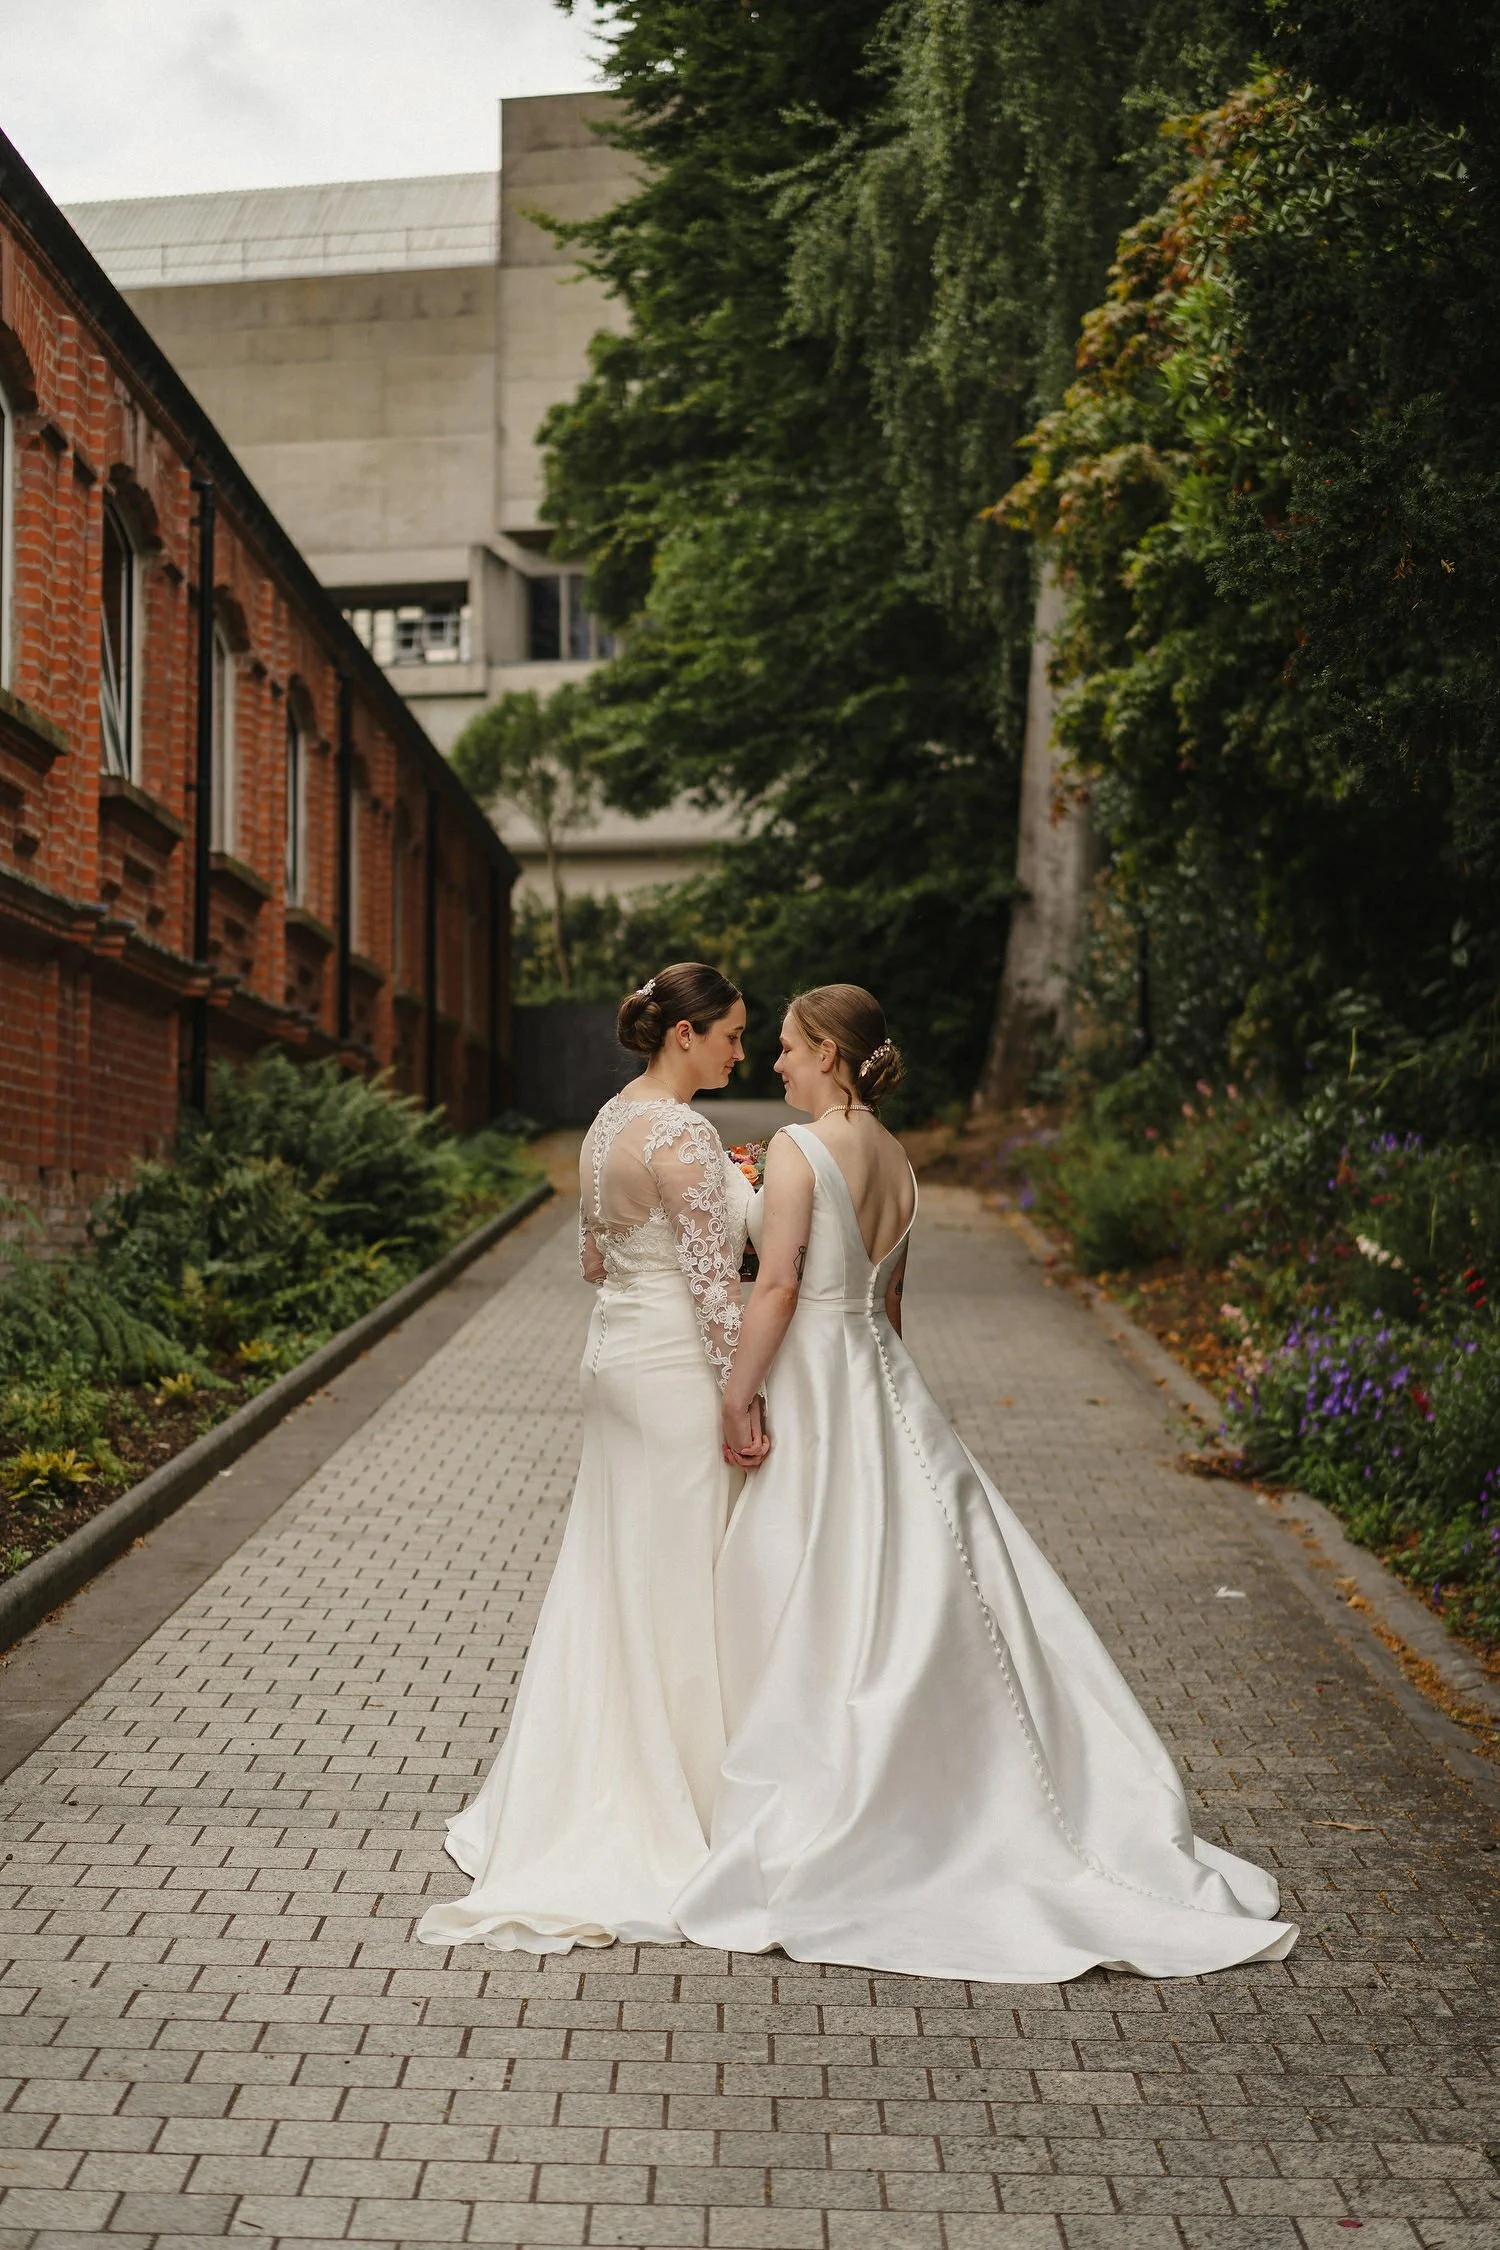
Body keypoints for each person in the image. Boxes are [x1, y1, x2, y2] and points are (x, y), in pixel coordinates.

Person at [674, 983, 1298, 1983]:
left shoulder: (797, 1151)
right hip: (882, 1380)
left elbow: (779, 1285)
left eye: (787, 1047)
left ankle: (832, 1789)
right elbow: (892, 1306)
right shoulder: (899, 1160)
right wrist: (889, 1399)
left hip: (817, 1379)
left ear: (828, 1053)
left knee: (811, 1581)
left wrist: (738, 1393)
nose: (776, 1063)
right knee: (910, 1576)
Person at [417, 962, 756, 1954]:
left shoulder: (608, 1123)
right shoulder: (682, 1134)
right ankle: (677, 1795)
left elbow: (593, 1260)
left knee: (614, 1571)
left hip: (613, 1361)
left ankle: (580, 1777)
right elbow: (715, 1291)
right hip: (674, 1374)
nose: (741, 1053)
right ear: (686, 1033)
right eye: (732, 1035)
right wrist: (745, 1392)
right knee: (679, 1577)